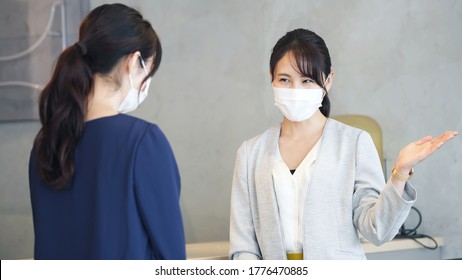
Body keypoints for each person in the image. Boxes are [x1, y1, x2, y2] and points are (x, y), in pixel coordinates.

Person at [229, 28, 458, 260]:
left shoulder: (355, 143)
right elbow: (243, 245)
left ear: (328, 81)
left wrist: (401, 173)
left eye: (307, 80)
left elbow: (376, 230)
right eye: (285, 80)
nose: (295, 90)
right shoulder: (250, 154)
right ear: (271, 77)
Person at [28, 3, 186, 260]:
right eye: (149, 70)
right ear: (134, 62)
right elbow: (172, 260)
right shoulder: (142, 142)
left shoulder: (46, 144)